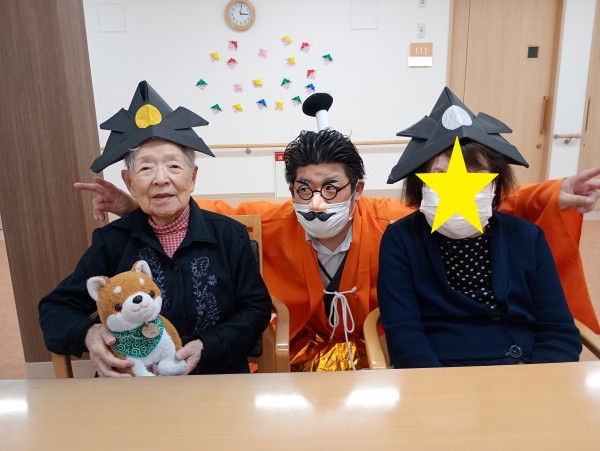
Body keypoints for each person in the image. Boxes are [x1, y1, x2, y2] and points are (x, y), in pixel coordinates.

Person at [75, 93, 600, 371]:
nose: (318, 201)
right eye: (304, 188)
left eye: (332, 187)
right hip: (303, 355)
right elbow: (207, 210)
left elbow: (474, 205)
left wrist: (550, 194)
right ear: (290, 190)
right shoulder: (272, 222)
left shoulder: (391, 221)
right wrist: (136, 203)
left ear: (359, 188)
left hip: (371, 356)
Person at [39, 81, 271, 377]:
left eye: (174, 167)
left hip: (214, 376)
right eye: (146, 168)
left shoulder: (229, 235)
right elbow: (55, 308)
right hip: (133, 383)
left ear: (193, 177)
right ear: (129, 182)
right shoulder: (112, 241)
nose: (161, 179)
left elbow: (255, 309)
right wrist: (89, 332)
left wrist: (207, 346)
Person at [378, 87, 581, 367]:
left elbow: (558, 331)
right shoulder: (401, 240)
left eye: (476, 176)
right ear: (420, 184)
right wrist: (437, 387)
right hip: (441, 375)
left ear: (495, 184)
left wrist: (537, 384)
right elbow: (405, 337)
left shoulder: (526, 237)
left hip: (523, 370)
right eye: (441, 175)